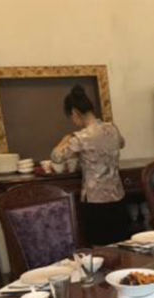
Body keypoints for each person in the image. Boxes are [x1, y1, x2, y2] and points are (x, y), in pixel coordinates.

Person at [51, 85, 129, 245]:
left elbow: (56, 157)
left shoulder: (81, 137)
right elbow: (122, 144)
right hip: (117, 195)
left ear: (75, 112)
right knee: (120, 244)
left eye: (71, 117)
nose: (73, 121)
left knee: (99, 246)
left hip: (95, 199)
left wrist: (65, 140)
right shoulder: (112, 128)